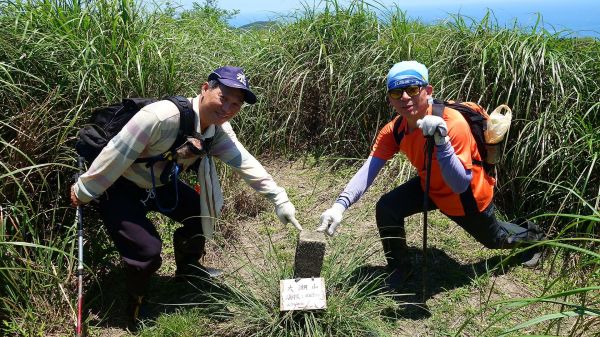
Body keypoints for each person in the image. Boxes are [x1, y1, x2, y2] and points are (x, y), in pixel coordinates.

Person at [70, 66, 303, 326]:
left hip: (160, 184)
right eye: (223, 98)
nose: (228, 108)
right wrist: (85, 191)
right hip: (121, 186)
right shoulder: (160, 117)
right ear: (205, 89)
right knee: (147, 251)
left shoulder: (216, 131)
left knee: (201, 212)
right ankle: (134, 308)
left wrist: (279, 198)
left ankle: (188, 271)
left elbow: (244, 163)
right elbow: (116, 154)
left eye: (236, 104)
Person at [317, 60, 544, 290]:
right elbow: (368, 170)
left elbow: (459, 184)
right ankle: (399, 268)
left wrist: (442, 142)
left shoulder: (452, 124)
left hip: (467, 197)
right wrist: (339, 206)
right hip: (430, 185)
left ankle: (534, 235)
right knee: (387, 207)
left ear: (428, 91)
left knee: (496, 239)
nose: (405, 97)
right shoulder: (395, 130)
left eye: (413, 89)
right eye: (396, 92)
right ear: (390, 98)